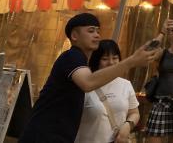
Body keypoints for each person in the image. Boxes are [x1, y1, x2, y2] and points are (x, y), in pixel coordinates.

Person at [19, 13, 161, 143]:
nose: (97, 35)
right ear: (75, 36)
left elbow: (134, 112)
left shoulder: (84, 64)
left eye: (98, 31)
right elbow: (88, 83)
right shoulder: (71, 56)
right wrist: (132, 61)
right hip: (43, 136)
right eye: (91, 31)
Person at [75, 39, 140, 143]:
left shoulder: (125, 85)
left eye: (115, 58)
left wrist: (128, 125)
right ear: (96, 60)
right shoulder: (85, 84)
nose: (111, 62)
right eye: (105, 59)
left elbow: (134, 113)